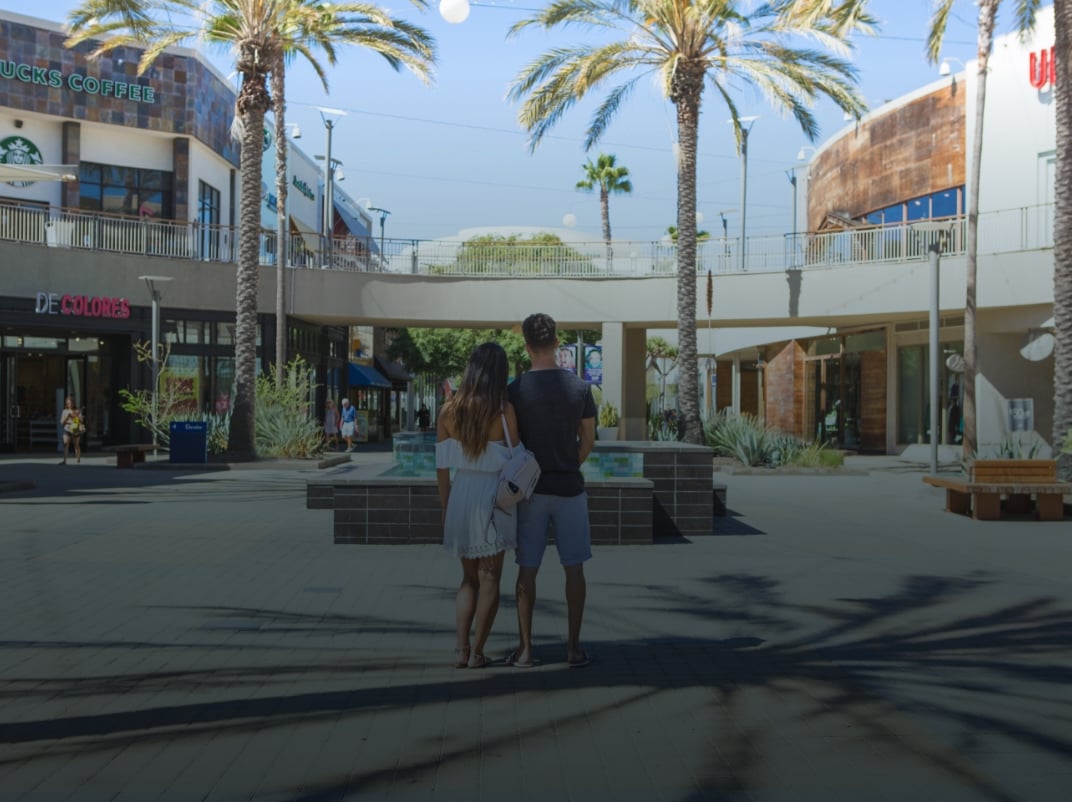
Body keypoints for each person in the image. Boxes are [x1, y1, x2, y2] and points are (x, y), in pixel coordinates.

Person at [507, 313, 596, 669]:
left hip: (530, 492)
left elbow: (511, 444)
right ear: (557, 343)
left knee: (527, 569)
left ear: (527, 347)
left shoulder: (514, 391)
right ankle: (573, 649)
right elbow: (587, 441)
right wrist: (569, 461)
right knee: (574, 568)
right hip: (570, 489)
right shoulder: (580, 388)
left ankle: (526, 651)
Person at [435, 342, 522, 669]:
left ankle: (460, 649)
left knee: (467, 580)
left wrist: (446, 508)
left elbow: (441, 467)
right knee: (490, 579)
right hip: (493, 496)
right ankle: (478, 652)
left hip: (462, 493)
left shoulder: (449, 410)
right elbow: (517, 457)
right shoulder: (504, 411)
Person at [60, 396, 85, 465]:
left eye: (70, 403)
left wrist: (76, 416)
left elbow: (81, 420)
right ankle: (64, 460)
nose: (69, 405)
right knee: (65, 444)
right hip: (67, 428)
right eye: (68, 403)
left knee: (76, 444)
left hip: (75, 428)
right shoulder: (64, 411)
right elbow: (61, 422)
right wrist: (67, 417)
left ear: (73, 403)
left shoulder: (77, 410)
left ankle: (78, 459)